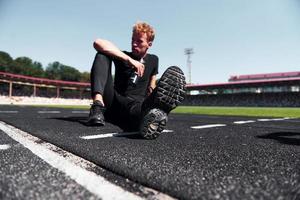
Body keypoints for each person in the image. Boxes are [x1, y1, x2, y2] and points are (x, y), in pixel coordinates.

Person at [87, 21, 186, 139]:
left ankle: (152, 114)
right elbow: (98, 42)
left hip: (136, 104)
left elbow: (151, 85)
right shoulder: (123, 56)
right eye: (133, 40)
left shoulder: (154, 60)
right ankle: (97, 106)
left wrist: (154, 94)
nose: (134, 44)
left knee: (140, 108)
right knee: (102, 54)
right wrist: (128, 59)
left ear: (149, 44)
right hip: (113, 101)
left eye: (139, 41)